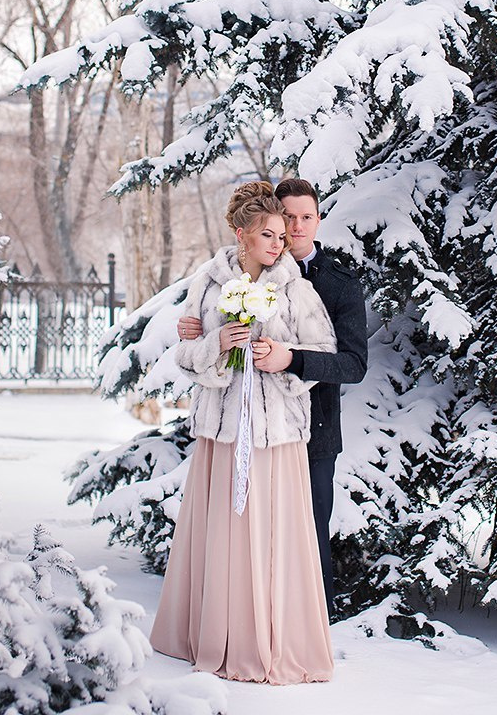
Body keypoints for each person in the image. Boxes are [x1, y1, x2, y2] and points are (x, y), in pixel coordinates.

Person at [151, 181, 338, 685]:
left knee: (271, 536)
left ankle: (271, 639)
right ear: (242, 235)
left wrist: (284, 359)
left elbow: (321, 351)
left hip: (275, 436)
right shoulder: (208, 284)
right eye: (269, 235)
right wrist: (216, 343)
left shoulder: (296, 287)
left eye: (283, 234)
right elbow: (185, 356)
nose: (280, 243)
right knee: (225, 536)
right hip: (223, 433)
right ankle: (218, 635)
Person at [180, 177, 368, 617]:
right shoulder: (232, 273)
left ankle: (308, 626)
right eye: (288, 218)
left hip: (312, 428)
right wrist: (199, 334)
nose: (296, 228)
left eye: (307, 218)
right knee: (246, 534)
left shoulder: (338, 283)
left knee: (306, 534)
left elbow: (352, 364)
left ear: (318, 220)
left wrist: (293, 361)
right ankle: (247, 619)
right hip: (245, 428)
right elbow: (204, 329)